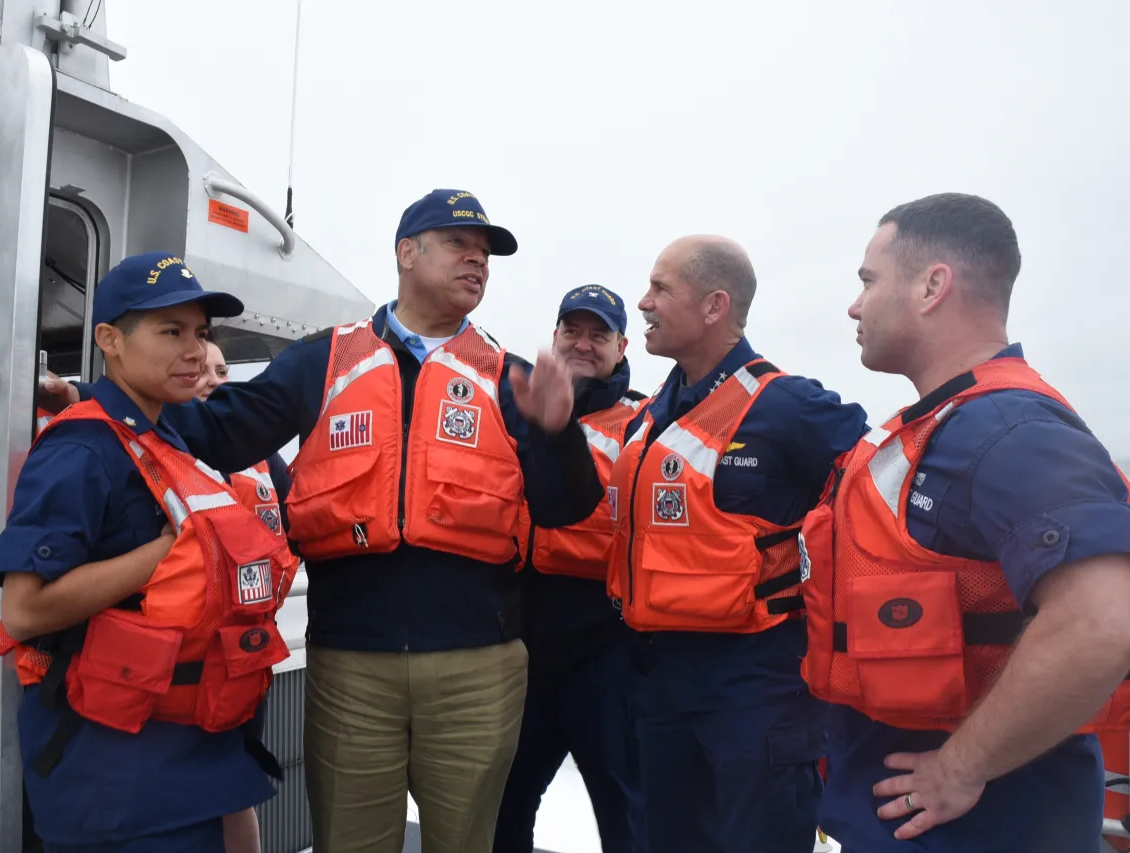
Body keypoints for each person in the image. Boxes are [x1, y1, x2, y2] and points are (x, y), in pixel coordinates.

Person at [42, 189, 603, 853]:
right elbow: (217, 432)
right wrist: (90, 398)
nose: (476, 259)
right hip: (351, 664)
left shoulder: (510, 380)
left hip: (477, 668)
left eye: (485, 253)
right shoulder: (322, 361)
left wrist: (557, 429)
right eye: (458, 243)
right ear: (407, 252)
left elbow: (569, 508)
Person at [800, 192, 1130, 852]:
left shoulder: (1006, 429)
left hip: (979, 824)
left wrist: (961, 767)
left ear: (931, 286)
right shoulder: (944, 429)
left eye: (868, 280)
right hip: (900, 809)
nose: (854, 305)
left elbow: (1102, 619)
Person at [0, 252, 301, 853]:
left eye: (200, 334)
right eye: (170, 331)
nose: (192, 349)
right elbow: (23, 612)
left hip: (195, 752)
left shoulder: (166, 438)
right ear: (110, 340)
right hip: (120, 778)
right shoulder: (82, 449)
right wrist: (159, 554)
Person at [607, 235, 869, 852]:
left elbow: (878, 502)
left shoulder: (791, 407)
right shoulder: (650, 416)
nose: (643, 302)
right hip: (658, 683)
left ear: (714, 305)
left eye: (661, 288)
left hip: (757, 690)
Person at [494, 285, 647, 853]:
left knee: (624, 805)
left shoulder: (644, 423)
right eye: (571, 331)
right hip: (520, 639)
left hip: (606, 649)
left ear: (621, 345)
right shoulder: (513, 413)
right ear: (555, 336)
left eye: (598, 334)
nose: (583, 344)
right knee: (507, 799)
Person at [195, 338, 292, 507]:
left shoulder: (262, 454)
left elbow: (298, 515)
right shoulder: (169, 450)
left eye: (221, 372)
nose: (215, 381)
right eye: (200, 372)